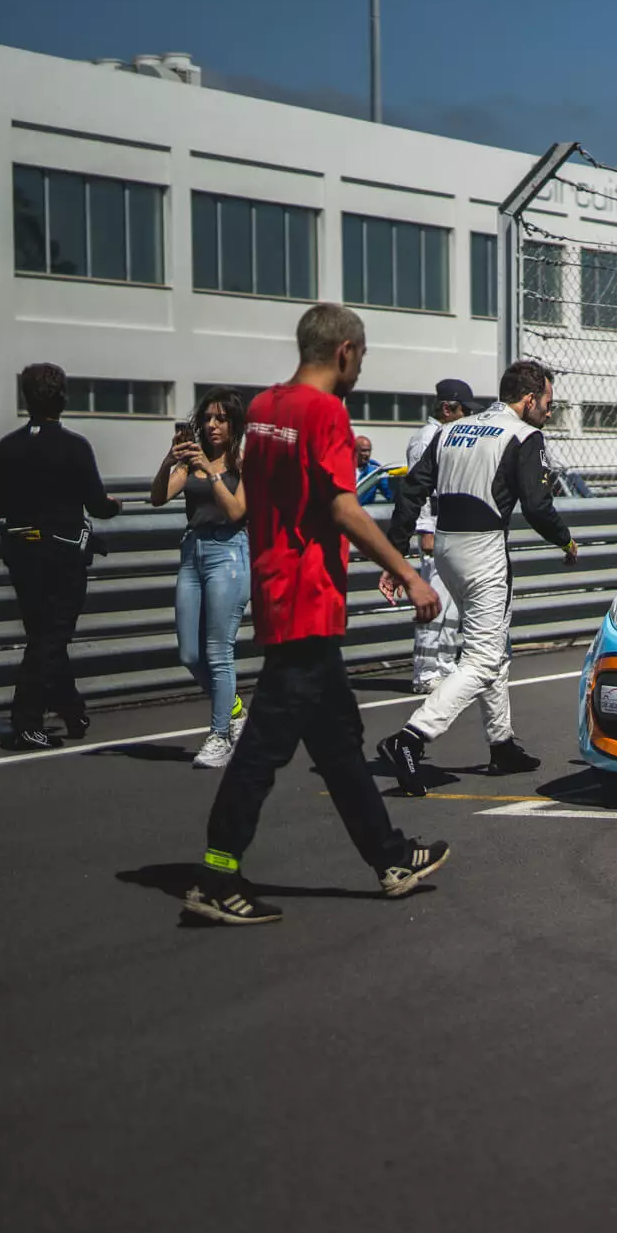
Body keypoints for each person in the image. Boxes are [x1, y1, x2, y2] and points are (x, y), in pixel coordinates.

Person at [185, 303, 448, 926]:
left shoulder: (266, 409)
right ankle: (216, 875)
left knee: (339, 747)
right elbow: (341, 507)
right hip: (306, 598)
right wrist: (409, 572)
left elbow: (265, 497)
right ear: (347, 352)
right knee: (265, 747)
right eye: (363, 357)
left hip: (278, 588)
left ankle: (390, 859)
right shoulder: (325, 411)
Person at [377, 360, 577, 794]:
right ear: (528, 399)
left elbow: (412, 491)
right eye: (548, 403)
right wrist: (565, 542)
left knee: (492, 645)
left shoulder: (453, 429)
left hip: (446, 548)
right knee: (484, 657)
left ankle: (502, 744)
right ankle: (411, 738)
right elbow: (538, 506)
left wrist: (395, 554)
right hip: (484, 550)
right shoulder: (523, 434)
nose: (548, 411)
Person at [0, 362, 124, 751]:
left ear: (25, 398)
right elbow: (97, 504)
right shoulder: (74, 446)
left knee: (43, 633)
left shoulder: (7, 447)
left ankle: (71, 709)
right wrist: (115, 505)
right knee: (51, 636)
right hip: (62, 554)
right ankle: (26, 723)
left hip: (20, 550)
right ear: (62, 398)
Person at [149, 387, 251, 767]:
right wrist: (169, 460)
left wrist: (211, 473)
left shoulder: (244, 460)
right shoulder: (193, 459)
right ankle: (236, 710)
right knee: (189, 653)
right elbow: (158, 497)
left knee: (218, 651)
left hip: (229, 552)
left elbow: (238, 510)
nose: (211, 425)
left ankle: (219, 735)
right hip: (192, 553)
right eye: (207, 418)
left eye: (220, 419)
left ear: (234, 423)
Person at [403, 381, 475, 694]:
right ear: (447, 408)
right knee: (432, 605)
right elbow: (417, 491)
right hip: (435, 533)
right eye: (463, 410)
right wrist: (425, 531)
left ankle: (445, 665)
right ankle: (424, 672)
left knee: (451, 608)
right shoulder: (426, 439)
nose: (467, 417)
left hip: (453, 533)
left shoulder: (447, 435)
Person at [353, 434, 394, 504]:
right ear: (354, 451)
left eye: (369, 451)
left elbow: (390, 494)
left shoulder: (374, 472)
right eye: (364, 450)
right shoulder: (344, 470)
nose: (367, 454)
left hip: (364, 511)